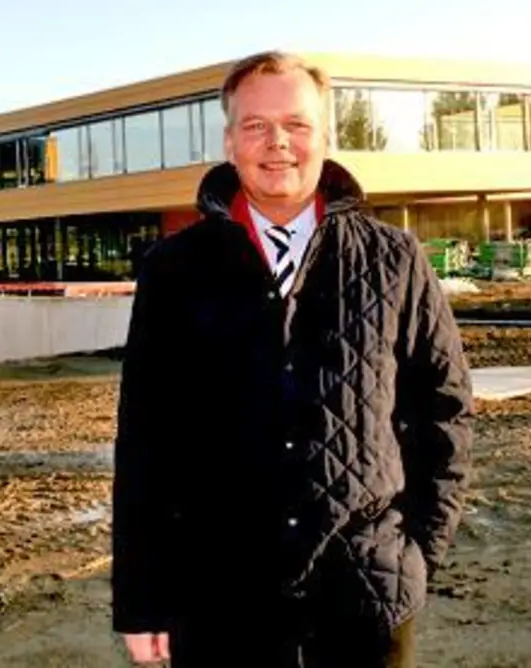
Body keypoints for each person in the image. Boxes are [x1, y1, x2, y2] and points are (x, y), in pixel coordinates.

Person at [111, 51, 475, 667]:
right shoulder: (174, 269)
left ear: (326, 138)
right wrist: (142, 600)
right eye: (255, 125)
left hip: (367, 600)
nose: (277, 142)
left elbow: (445, 413)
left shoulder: (395, 259)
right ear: (229, 142)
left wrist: (417, 552)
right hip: (219, 601)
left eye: (297, 124)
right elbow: (146, 442)